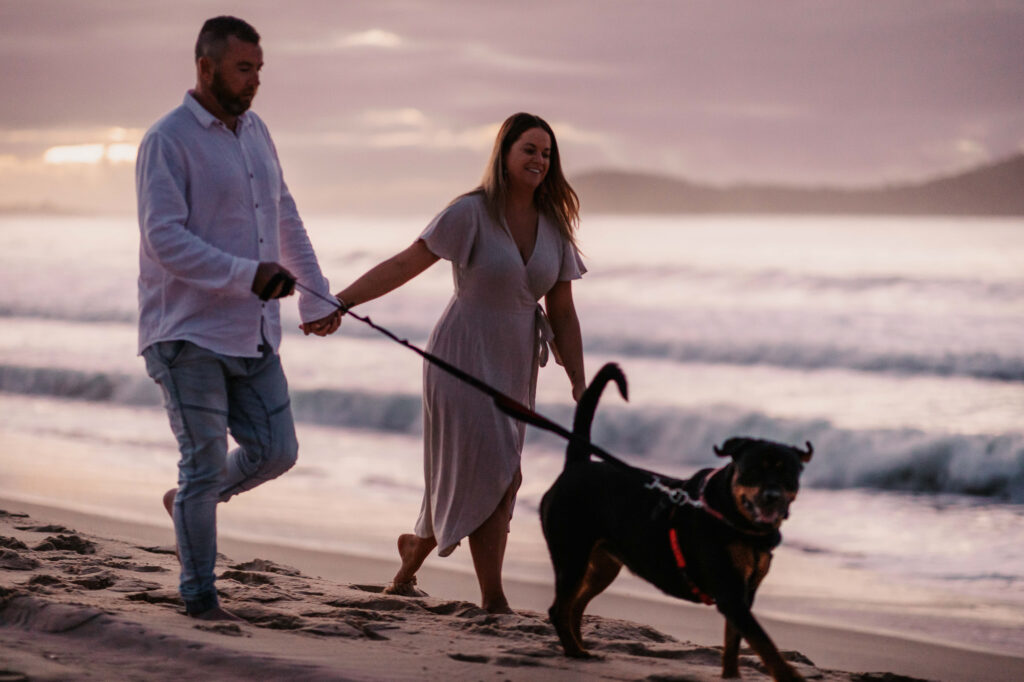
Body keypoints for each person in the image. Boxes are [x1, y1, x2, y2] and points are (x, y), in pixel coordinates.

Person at [334, 112, 587, 613]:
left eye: (547, 152)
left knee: (475, 473)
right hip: (460, 356)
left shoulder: (554, 227)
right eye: (530, 150)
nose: (540, 159)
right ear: (505, 154)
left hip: (515, 364)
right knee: (499, 474)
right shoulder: (470, 212)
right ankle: (494, 599)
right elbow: (407, 262)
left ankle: (412, 557)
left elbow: (562, 310)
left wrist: (580, 380)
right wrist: (340, 300)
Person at [135, 16, 341, 621]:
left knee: (277, 450)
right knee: (201, 461)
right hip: (185, 332)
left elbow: (285, 215)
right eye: (242, 69)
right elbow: (163, 239)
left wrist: (315, 293)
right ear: (206, 68)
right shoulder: (167, 140)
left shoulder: (258, 134)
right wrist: (245, 274)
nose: (254, 81)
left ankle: (189, 502)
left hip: (251, 333)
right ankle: (199, 597)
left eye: (258, 70)